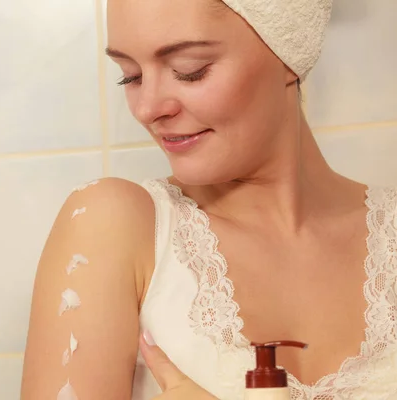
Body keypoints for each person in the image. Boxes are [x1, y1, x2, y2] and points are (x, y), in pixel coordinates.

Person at [20, 0, 397, 398]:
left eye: (190, 71)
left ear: (288, 55)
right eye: (129, 77)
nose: (148, 108)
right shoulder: (112, 226)